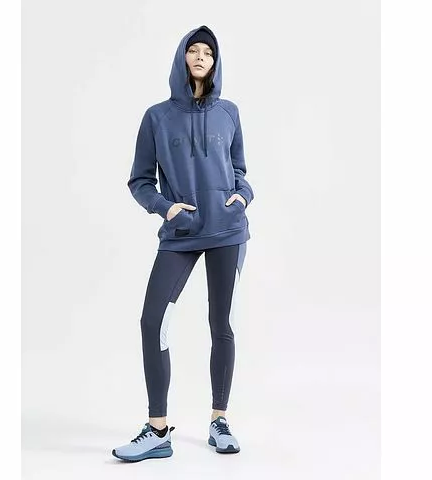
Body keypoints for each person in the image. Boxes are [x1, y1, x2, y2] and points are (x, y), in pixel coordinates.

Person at [111, 25, 254, 462]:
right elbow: (140, 180)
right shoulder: (157, 116)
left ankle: (219, 420)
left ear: (215, 62)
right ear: (181, 58)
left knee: (221, 323)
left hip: (228, 231)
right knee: (152, 321)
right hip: (181, 233)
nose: (200, 56)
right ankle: (158, 430)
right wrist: (166, 208)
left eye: (208, 51)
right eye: (193, 50)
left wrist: (242, 196)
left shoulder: (229, 112)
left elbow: (240, 171)